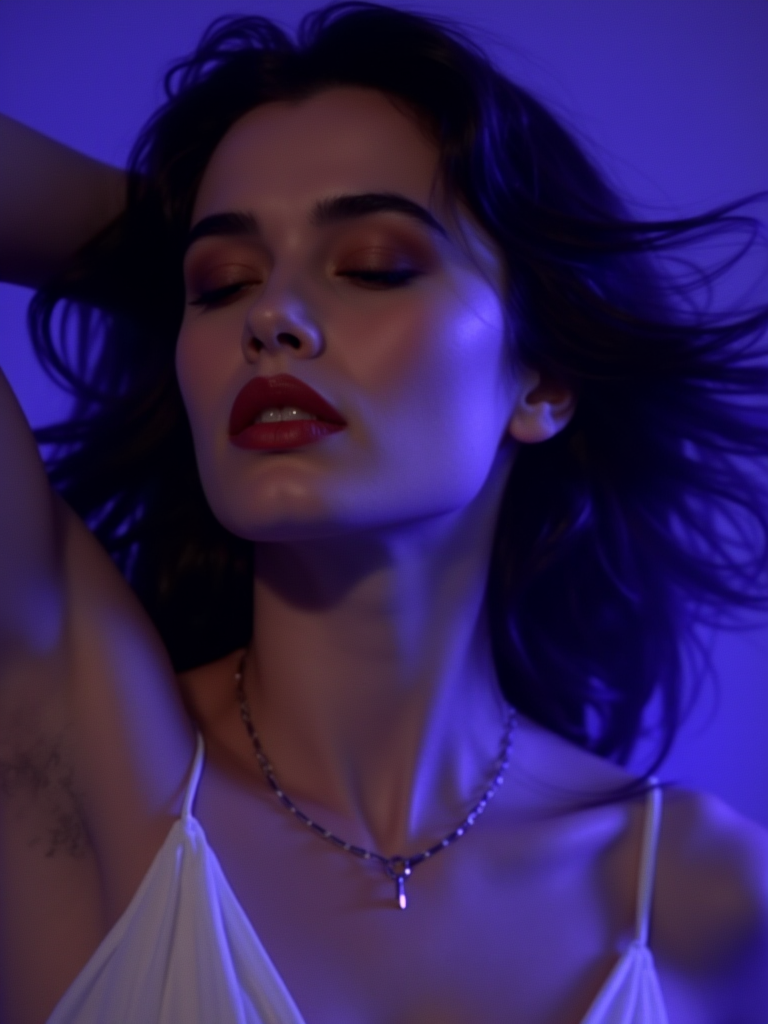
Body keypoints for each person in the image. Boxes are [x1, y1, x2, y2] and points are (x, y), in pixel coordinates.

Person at [1, 4, 766, 1022]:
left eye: (371, 265)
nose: (271, 316)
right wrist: (164, 230)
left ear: (542, 380)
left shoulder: (708, 899)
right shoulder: (79, 736)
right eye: (221, 284)